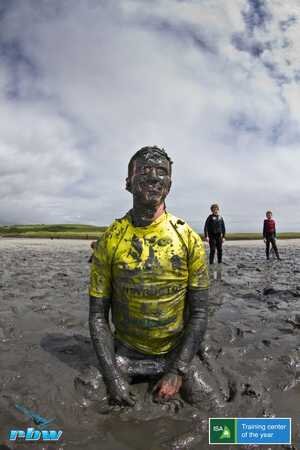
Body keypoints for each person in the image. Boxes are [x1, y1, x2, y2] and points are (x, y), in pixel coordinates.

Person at [89, 146, 210, 407]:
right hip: (125, 354)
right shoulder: (110, 239)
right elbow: (98, 315)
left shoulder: (188, 238)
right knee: (86, 399)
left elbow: (200, 312)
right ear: (128, 183)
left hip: (175, 353)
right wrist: (112, 376)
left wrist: (177, 370)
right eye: (144, 170)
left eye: (162, 172)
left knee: (213, 407)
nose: (154, 177)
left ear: (169, 184)